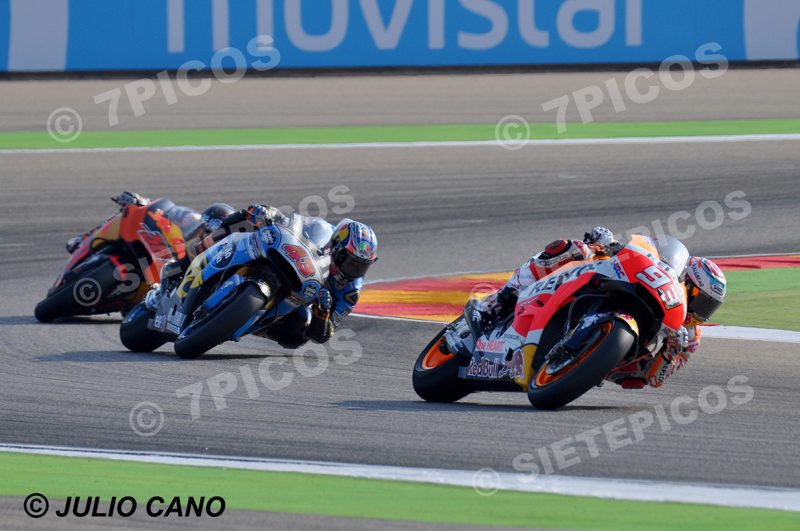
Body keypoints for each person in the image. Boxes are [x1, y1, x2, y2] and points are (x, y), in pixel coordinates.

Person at [473, 227, 727, 389]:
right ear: (688, 281)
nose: (700, 312)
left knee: (635, 376)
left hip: (619, 361)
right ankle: (498, 301)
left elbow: (654, 380)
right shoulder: (662, 271)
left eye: (709, 307)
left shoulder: (690, 338)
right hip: (608, 284)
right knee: (574, 249)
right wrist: (607, 243)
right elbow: (637, 252)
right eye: (701, 300)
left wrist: (669, 354)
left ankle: (584, 358)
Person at [152, 202, 378, 348]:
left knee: (298, 334)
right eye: (350, 261)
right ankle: (195, 255)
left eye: (361, 266)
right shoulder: (322, 230)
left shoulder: (349, 291)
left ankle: (243, 321)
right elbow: (293, 223)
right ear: (337, 246)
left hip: (294, 301)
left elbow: (323, 335)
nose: (353, 270)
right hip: (284, 260)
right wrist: (270, 214)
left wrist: (322, 315)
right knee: (248, 215)